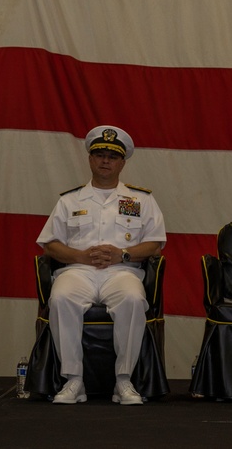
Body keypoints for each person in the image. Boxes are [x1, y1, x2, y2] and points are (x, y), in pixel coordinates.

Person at [35, 125, 166, 405]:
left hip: (122, 271)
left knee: (132, 298)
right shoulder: (69, 200)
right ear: (90, 159)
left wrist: (123, 254)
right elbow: (49, 244)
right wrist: (80, 256)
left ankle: (124, 381)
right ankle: (73, 380)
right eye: (99, 154)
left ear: (122, 162)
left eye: (112, 156)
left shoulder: (141, 200)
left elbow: (155, 243)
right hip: (77, 271)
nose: (105, 160)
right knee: (61, 297)